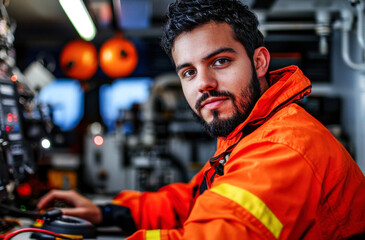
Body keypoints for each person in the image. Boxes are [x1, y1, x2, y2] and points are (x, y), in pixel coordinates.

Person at [37, 0, 365, 239]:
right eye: (189, 72)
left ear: (260, 62)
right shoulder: (247, 133)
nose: (203, 83)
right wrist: (111, 212)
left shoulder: (283, 147)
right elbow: (194, 200)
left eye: (220, 61)